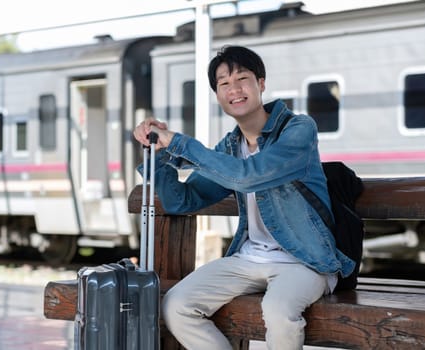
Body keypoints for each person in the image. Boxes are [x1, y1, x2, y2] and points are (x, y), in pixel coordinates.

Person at [133, 45, 355, 350]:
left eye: (242, 79)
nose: (234, 89)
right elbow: (181, 201)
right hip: (249, 258)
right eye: (224, 83)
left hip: (305, 261)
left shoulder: (299, 129)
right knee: (176, 305)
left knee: (278, 310)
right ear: (218, 94)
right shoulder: (230, 146)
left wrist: (182, 144)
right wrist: (158, 153)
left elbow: (249, 175)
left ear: (261, 83)